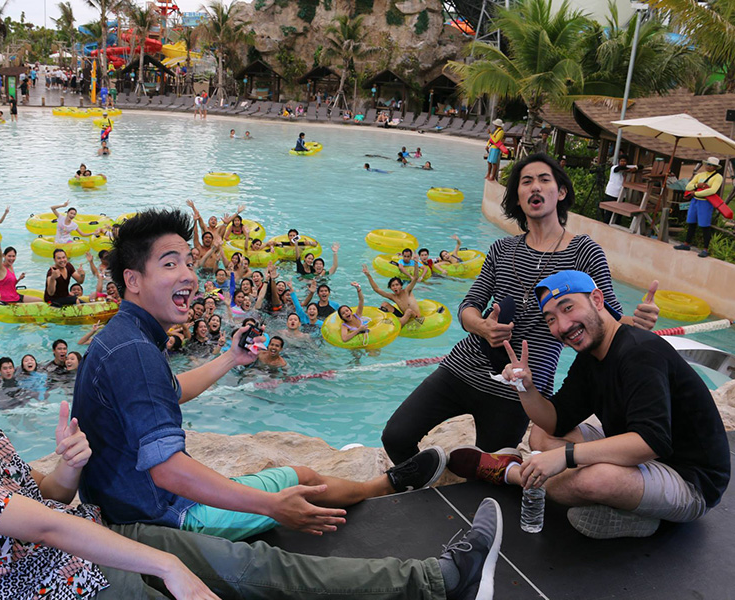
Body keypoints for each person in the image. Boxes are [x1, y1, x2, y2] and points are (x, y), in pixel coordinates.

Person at [0, 298, 505, 599]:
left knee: (262, 568)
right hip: (43, 586)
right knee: (220, 576)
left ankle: (437, 581)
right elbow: (40, 525)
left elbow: (44, 499)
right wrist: (170, 568)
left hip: (93, 538)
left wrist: (67, 466)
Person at [71, 209, 452, 545]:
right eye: (170, 264)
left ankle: (382, 485)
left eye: (188, 262)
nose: (188, 275)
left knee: (301, 476)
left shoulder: (123, 336)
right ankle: (386, 488)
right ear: (133, 280)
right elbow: (168, 471)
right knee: (300, 488)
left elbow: (170, 391)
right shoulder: (135, 352)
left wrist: (231, 357)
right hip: (161, 514)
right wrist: (272, 506)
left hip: (129, 497)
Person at [381, 152, 660, 467]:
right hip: (464, 367)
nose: (535, 187)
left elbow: (609, 317)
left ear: (561, 192)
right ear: (517, 196)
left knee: (490, 470)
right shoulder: (502, 249)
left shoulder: (584, 252)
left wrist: (638, 321)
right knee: (396, 436)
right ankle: (425, 480)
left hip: (521, 385)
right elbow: (468, 307)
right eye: (526, 182)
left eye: (544, 179)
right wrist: (482, 326)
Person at [450, 270, 730, 539]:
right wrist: (526, 387)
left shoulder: (640, 352)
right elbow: (555, 421)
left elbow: (651, 442)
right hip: (639, 454)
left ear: (597, 300)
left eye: (568, 308)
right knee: (541, 436)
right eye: (551, 319)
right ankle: (629, 510)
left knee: (594, 480)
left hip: (690, 480)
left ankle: (510, 472)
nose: (563, 326)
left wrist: (565, 457)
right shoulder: (591, 355)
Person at [675, 157, 725, 258]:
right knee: (691, 222)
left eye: (711, 165)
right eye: (707, 164)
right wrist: (697, 185)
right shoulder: (700, 175)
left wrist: (696, 192)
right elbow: (688, 186)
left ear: (715, 167)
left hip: (705, 202)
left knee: (705, 225)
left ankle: (705, 249)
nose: (708, 166)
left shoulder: (718, 177)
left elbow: (712, 190)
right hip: (695, 201)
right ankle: (686, 243)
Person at [0, 240, 40, 304]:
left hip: (16, 296)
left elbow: (11, 285)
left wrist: (19, 279)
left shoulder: (11, 266)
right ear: (4, 256)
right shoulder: (1, 268)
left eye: (13, 256)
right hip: (9, 300)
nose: (11, 258)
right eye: (9, 256)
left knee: (40, 300)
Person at [602, 154, 639, 219]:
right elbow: (618, 168)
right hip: (611, 193)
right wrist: (629, 169)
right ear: (619, 161)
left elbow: (640, 166)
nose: (623, 162)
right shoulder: (614, 167)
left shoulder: (629, 167)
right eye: (621, 161)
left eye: (624, 161)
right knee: (608, 213)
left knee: (619, 214)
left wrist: (635, 168)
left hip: (621, 194)